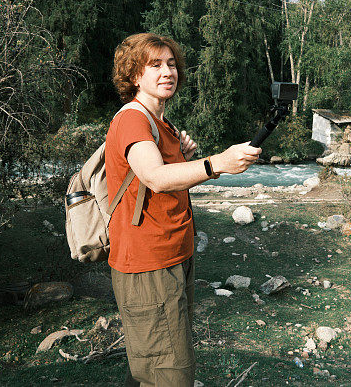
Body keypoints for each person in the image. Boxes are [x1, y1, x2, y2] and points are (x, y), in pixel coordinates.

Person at [106, 32, 261, 386]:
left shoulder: (160, 123)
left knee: (155, 362)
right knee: (170, 373)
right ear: (134, 75)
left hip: (173, 255)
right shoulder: (133, 119)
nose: (167, 72)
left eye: (172, 64)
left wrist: (187, 159)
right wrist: (217, 163)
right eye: (155, 65)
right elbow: (156, 178)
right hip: (149, 262)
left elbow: (165, 184)